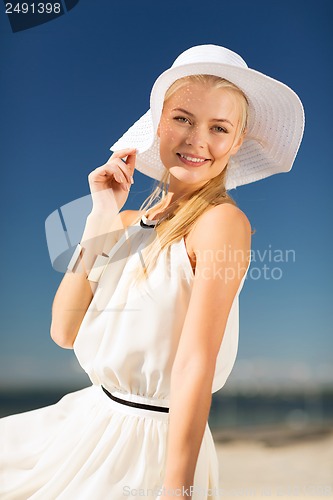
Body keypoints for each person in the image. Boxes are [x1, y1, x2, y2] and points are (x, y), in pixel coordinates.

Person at [0, 44, 304, 499]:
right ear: (158, 123)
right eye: (182, 118)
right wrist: (100, 215)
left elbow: (194, 364)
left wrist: (177, 488)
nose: (197, 140)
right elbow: (63, 330)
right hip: (82, 424)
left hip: (151, 448)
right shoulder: (122, 225)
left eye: (218, 127)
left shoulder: (220, 223)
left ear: (237, 141)